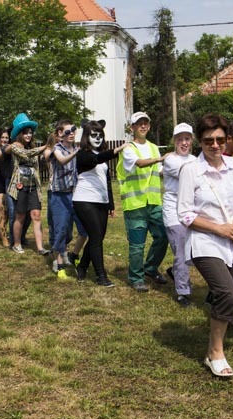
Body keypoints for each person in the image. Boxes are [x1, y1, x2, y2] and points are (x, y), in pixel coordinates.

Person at [177, 113, 233, 377]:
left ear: (227, 139)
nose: (215, 145)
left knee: (227, 296)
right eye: (209, 140)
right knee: (227, 293)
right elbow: (184, 214)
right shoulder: (191, 170)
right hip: (204, 241)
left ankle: (213, 344)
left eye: (220, 139)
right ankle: (216, 353)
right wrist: (219, 228)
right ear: (200, 141)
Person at [116, 112, 169, 292]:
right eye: (139, 123)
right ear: (132, 128)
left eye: (146, 123)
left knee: (163, 235)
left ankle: (150, 268)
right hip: (135, 204)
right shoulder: (128, 149)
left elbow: (160, 171)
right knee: (137, 245)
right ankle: (136, 277)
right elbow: (139, 163)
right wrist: (160, 159)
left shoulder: (154, 147)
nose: (143, 126)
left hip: (153, 202)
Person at [72, 120, 126, 286]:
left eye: (100, 135)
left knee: (98, 237)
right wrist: (117, 150)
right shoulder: (82, 154)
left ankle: (82, 267)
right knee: (95, 237)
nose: (97, 138)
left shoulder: (99, 155)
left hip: (101, 201)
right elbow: (96, 159)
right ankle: (101, 276)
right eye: (93, 135)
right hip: (84, 200)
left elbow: (106, 181)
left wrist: (110, 204)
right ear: (86, 137)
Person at [49, 120, 89, 279]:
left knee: (84, 229)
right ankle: (59, 266)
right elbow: (62, 160)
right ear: (60, 134)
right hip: (59, 196)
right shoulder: (57, 149)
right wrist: (76, 153)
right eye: (67, 131)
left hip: (76, 195)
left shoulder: (77, 148)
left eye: (73, 130)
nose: (71, 133)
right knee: (60, 231)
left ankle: (74, 255)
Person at [162, 123, 197, 307]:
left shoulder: (195, 159)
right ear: (175, 141)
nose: (184, 143)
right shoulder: (171, 160)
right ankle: (183, 292)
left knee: (196, 250)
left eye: (187, 139)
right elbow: (189, 174)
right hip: (173, 211)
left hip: (191, 210)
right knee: (181, 251)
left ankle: (175, 272)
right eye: (180, 139)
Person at [7, 113, 49, 255]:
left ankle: (40, 248)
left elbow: (38, 164)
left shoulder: (34, 147)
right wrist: (46, 146)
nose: (28, 135)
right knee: (20, 216)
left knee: (36, 215)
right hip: (20, 186)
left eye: (30, 132)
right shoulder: (14, 146)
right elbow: (27, 154)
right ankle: (16, 244)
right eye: (25, 133)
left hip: (33, 186)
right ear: (20, 134)